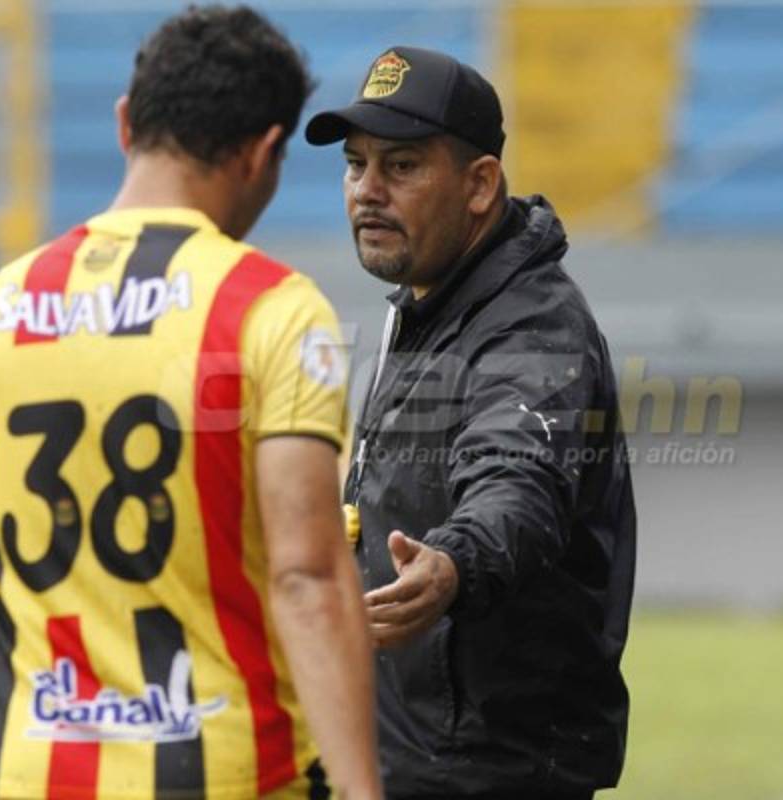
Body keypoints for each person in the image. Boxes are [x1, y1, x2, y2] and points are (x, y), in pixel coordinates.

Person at [0, 7, 381, 800]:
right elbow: (305, 576)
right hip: (232, 773)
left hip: (28, 774)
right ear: (264, 152)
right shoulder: (273, 308)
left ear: (126, 123)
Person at [305, 46, 637, 798]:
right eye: (356, 165)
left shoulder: (531, 324)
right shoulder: (430, 300)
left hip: (487, 771)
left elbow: (517, 479)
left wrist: (455, 562)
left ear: (481, 184)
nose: (367, 191)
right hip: (418, 757)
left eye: (401, 166)